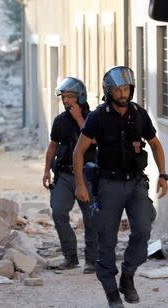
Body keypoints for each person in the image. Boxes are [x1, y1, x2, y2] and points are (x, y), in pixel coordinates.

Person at [73, 66, 167, 307]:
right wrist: (80, 185)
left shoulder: (139, 114)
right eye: (118, 90)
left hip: (136, 184)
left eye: (126, 88)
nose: (123, 93)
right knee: (107, 239)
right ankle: (111, 292)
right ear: (109, 92)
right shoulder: (98, 116)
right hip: (108, 185)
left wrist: (164, 175)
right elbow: (79, 151)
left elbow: (155, 144)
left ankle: (127, 275)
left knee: (143, 230)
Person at [42, 77, 98, 274]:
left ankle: (91, 260)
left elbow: (93, 142)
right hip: (64, 175)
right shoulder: (59, 121)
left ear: (80, 97)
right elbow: (53, 146)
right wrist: (46, 170)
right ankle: (70, 256)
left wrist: (79, 119)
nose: (66, 101)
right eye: (64, 97)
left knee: (91, 218)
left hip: (88, 175)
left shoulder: (93, 118)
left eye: (70, 97)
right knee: (58, 212)